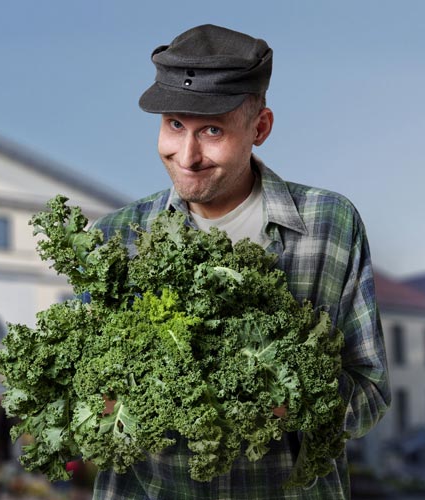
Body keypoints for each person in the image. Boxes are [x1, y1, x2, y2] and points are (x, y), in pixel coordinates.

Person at [90, 24, 391, 499]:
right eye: (174, 125)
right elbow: (89, 402)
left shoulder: (330, 223)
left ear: (260, 127)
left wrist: (281, 395)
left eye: (212, 130)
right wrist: (100, 402)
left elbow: (370, 394)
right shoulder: (114, 239)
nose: (186, 156)